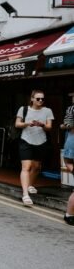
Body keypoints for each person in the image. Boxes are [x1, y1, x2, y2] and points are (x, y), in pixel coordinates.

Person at [15, 90, 53, 206]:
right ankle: (25, 194)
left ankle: (30, 185)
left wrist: (41, 125)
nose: (40, 100)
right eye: (38, 99)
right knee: (26, 166)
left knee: (36, 167)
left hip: (41, 141)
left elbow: (49, 127)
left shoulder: (47, 111)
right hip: (26, 140)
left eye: (42, 99)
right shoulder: (24, 109)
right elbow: (17, 124)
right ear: (32, 99)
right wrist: (28, 123)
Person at [61, 92, 74, 224]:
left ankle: (69, 214)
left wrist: (62, 126)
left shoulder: (71, 108)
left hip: (72, 140)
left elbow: (68, 125)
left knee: (68, 161)